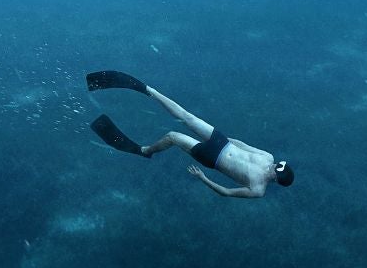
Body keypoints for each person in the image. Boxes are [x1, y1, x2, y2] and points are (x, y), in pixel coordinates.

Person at [86, 70, 294, 199]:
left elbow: (227, 192)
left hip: (213, 158)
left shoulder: (258, 189)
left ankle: (146, 151)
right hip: (222, 143)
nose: (274, 165)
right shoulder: (268, 157)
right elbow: (243, 144)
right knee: (187, 116)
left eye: (276, 169)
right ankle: (148, 90)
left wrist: (202, 178)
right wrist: (222, 138)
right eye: (278, 164)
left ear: (276, 177)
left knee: (173, 136)